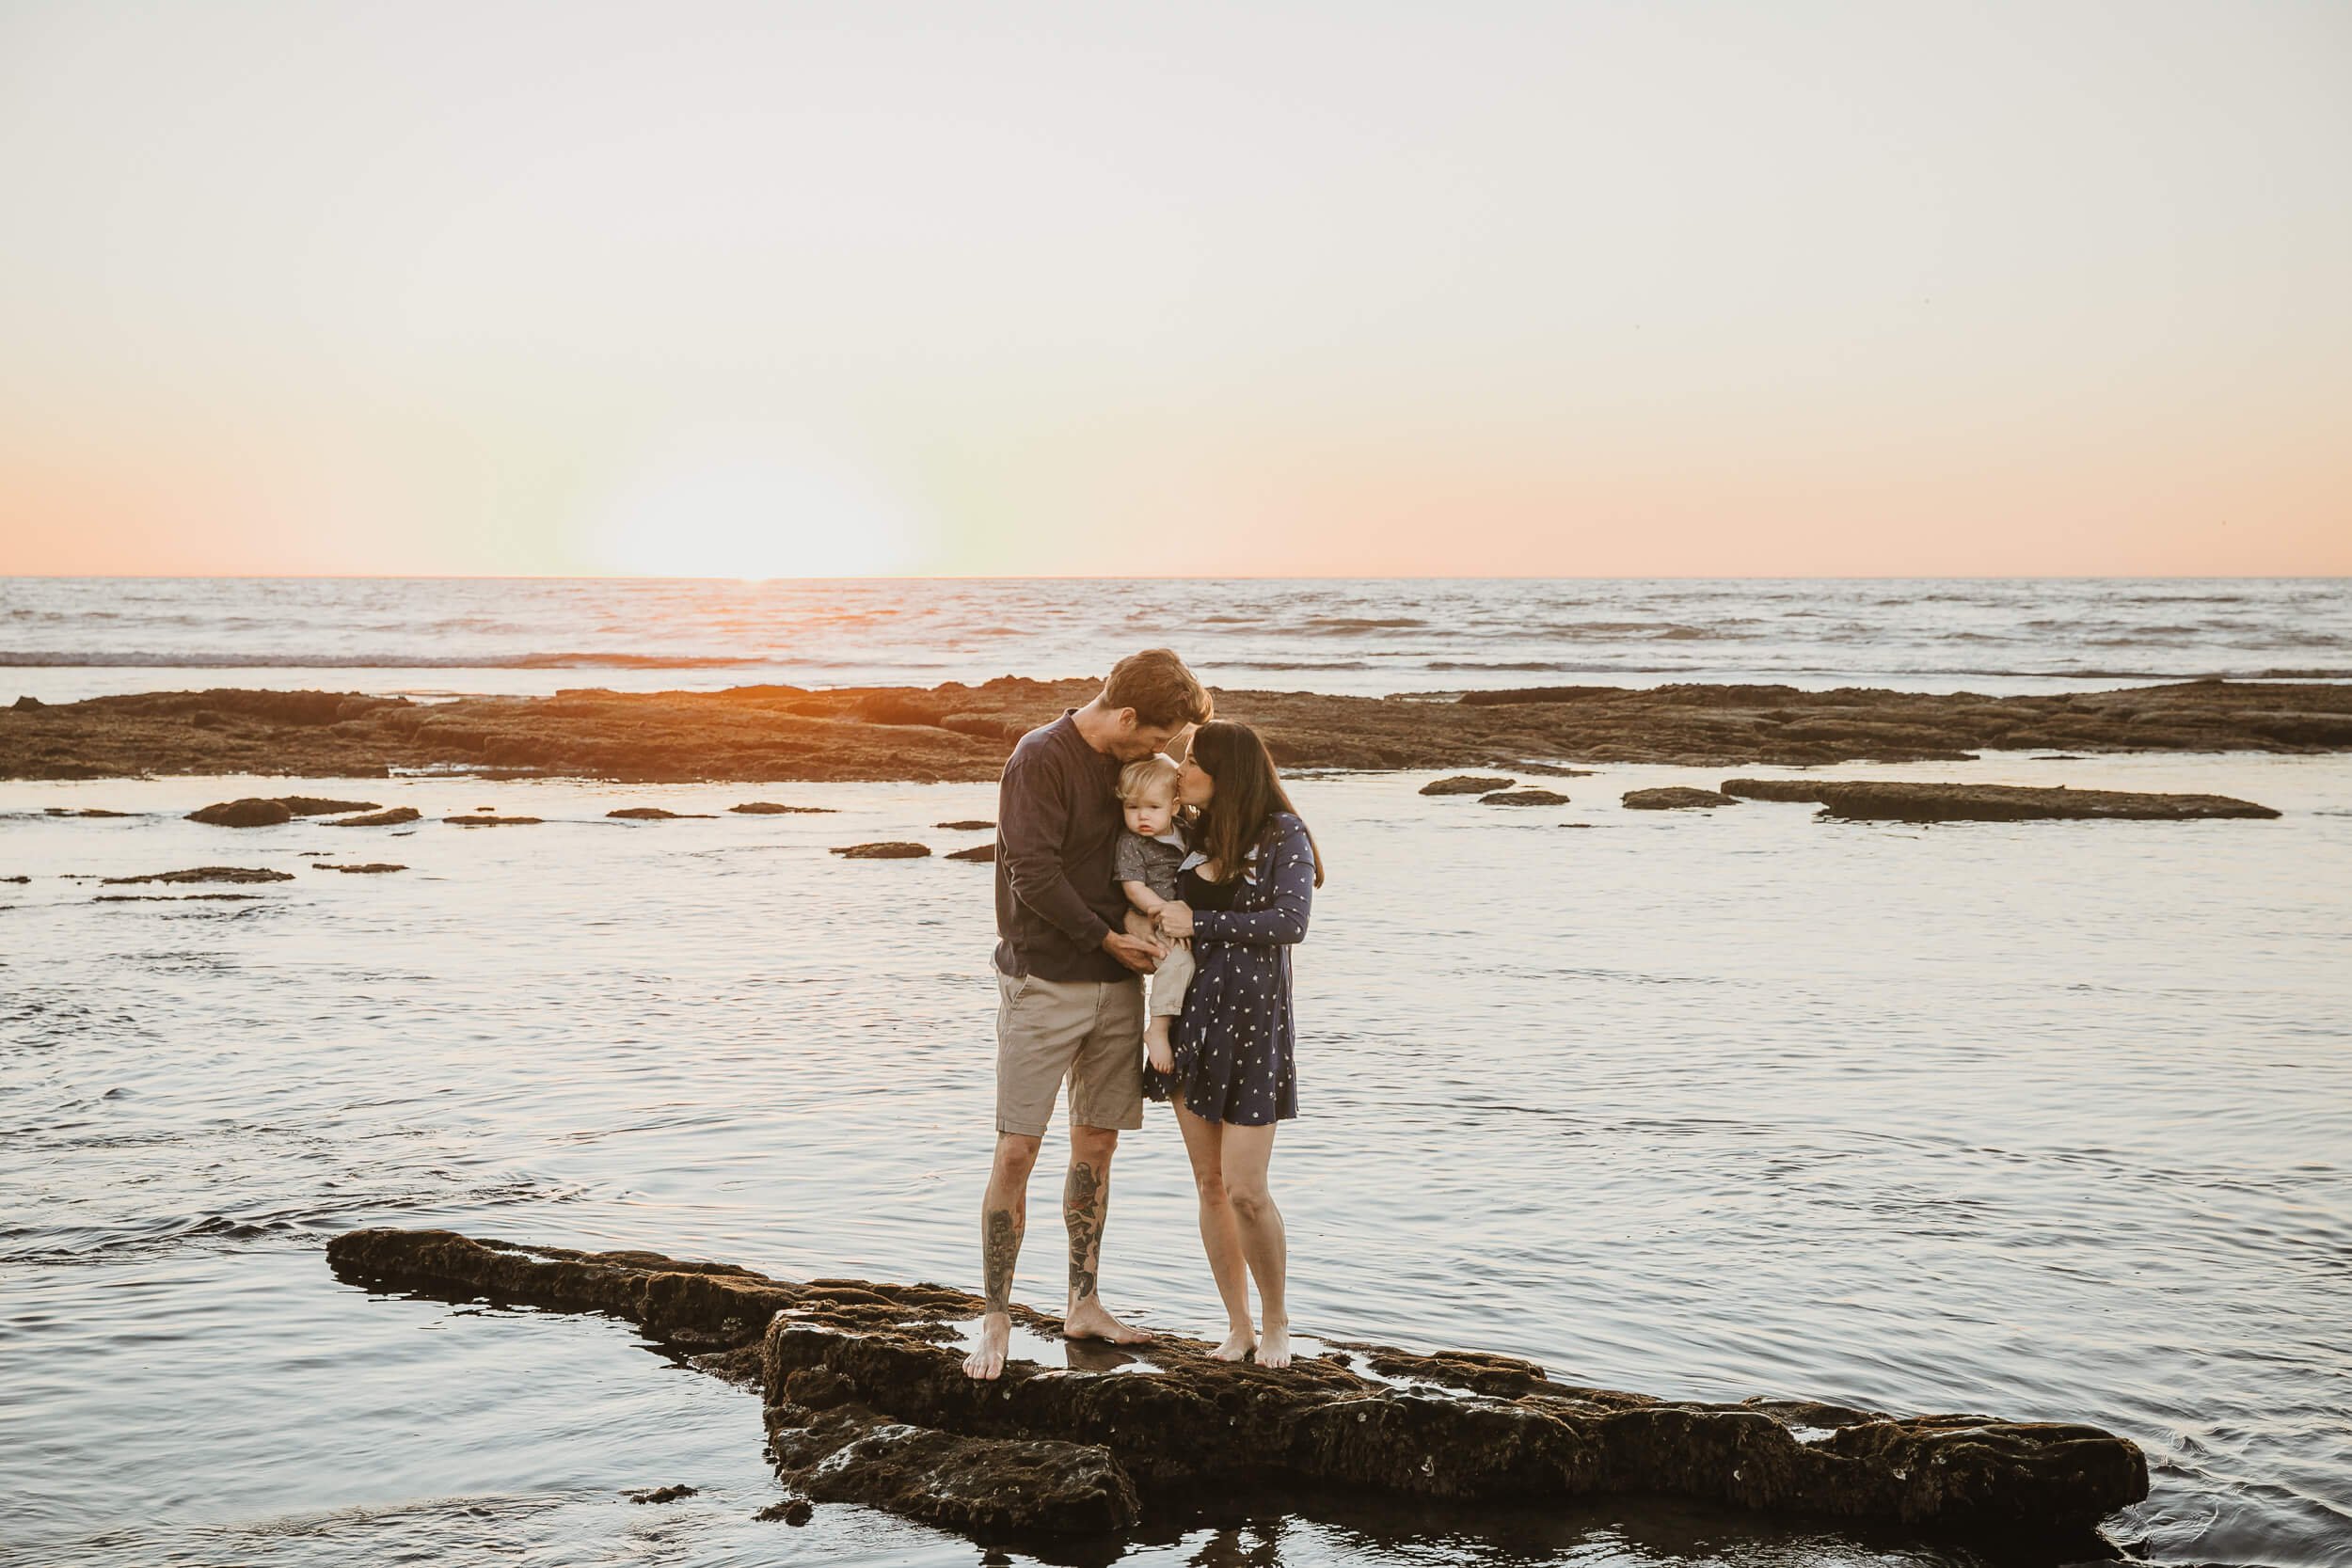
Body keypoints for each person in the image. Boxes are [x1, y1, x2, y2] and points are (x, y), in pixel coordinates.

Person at [963, 648, 1213, 1382]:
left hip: (1120, 984)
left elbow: (1168, 836)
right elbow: (1029, 872)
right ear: (1129, 716)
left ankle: (1084, 1303)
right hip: (1042, 979)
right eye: (1157, 737)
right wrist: (1105, 938)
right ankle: (996, 1317)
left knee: (1097, 1144)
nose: (1158, 754)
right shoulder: (1039, 758)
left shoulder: (1130, 769)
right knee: (1017, 1150)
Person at [1146, 721, 1325, 1369]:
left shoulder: (1285, 834)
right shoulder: (1191, 833)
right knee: (1210, 1184)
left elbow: (1290, 921)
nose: (1181, 770)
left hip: (1256, 1033)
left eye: (1193, 761)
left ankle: (1278, 1322)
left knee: (1247, 1188)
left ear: (1229, 771)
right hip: (1193, 1027)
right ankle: (1238, 1324)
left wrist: (1202, 919)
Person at [1112, 753, 1196, 1075]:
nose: (1141, 816)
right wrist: (1160, 912)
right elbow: (1133, 886)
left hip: (1182, 920)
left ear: (1174, 807)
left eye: (1152, 807)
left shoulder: (1187, 833)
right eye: (1132, 808)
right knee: (1179, 962)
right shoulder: (1131, 842)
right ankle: (1158, 1028)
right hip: (1151, 918)